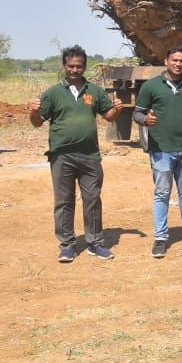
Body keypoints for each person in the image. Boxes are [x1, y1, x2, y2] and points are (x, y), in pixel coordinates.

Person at [29, 45, 123, 263]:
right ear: (64, 66)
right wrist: (33, 110)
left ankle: (95, 243)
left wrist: (117, 109)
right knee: (64, 202)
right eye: (71, 66)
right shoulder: (53, 93)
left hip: (90, 156)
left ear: (84, 67)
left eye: (79, 66)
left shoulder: (94, 91)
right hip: (61, 156)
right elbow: (37, 123)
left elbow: (108, 116)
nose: (74, 70)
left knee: (92, 199)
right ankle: (67, 245)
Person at [133, 48, 182, 258]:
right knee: (162, 194)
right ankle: (161, 238)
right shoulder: (151, 86)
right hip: (161, 150)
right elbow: (137, 113)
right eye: (174, 60)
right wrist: (145, 120)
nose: (178, 64)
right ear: (166, 61)